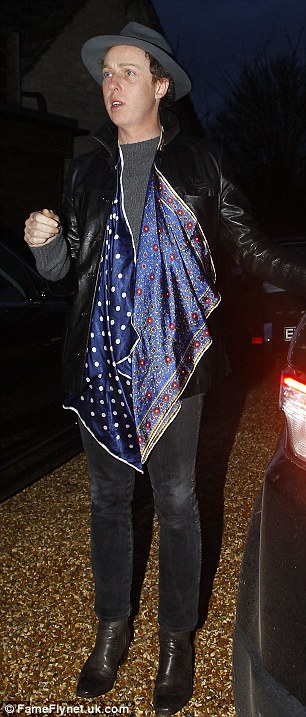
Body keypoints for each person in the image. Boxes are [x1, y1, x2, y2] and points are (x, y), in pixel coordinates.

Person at [24, 22, 306, 716]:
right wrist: (47, 246)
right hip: (99, 362)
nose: (111, 84)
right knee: (107, 502)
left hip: (176, 361)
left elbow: (249, 247)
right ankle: (112, 628)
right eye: (106, 74)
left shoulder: (201, 164)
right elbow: (67, 277)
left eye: (126, 72)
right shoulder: (86, 169)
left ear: (159, 86)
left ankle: (176, 638)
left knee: (178, 504)